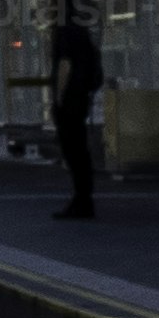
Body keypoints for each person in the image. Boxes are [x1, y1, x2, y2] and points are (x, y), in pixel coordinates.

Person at [47, 12, 105, 220]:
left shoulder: (65, 30)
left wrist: (58, 100)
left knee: (73, 152)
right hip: (81, 100)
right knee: (80, 151)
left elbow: (65, 66)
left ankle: (81, 200)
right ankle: (84, 199)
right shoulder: (82, 31)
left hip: (69, 103)